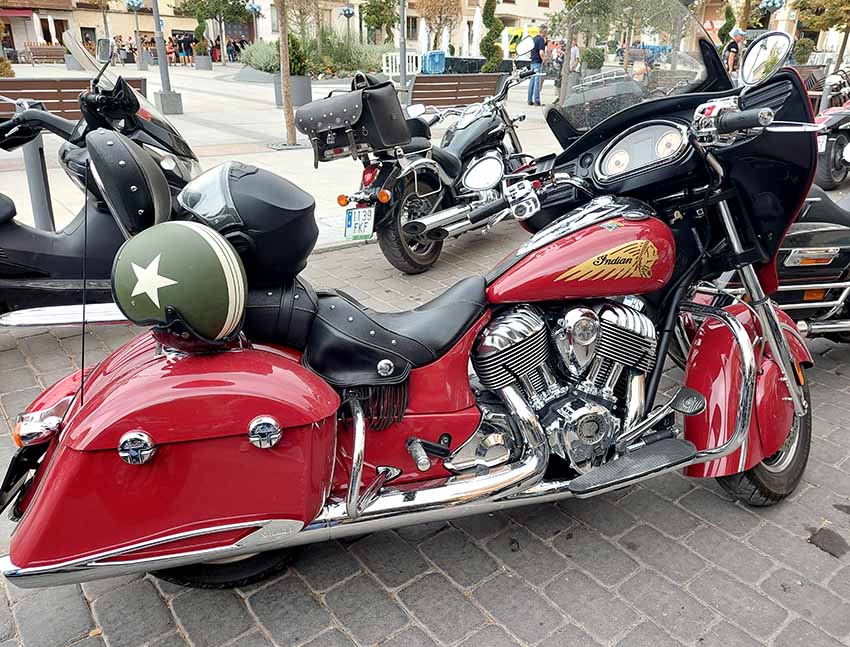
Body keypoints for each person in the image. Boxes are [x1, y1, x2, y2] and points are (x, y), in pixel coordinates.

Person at [527, 24, 547, 106]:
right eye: (546, 32)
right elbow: (541, 52)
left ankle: (529, 99)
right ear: (544, 31)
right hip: (538, 62)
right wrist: (544, 60)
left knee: (532, 81)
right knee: (537, 82)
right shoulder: (541, 39)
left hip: (532, 62)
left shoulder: (534, 38)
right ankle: (537, 100)